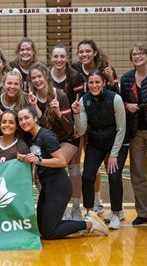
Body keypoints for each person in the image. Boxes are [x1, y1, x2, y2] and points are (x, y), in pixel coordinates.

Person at [16, 106, 109, 239]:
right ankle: (81, 223)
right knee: (42, 228)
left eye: (26, 118)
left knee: (49, 233)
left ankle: (88, 224)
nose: (23, 122)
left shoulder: (46, 136)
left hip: (59, 188)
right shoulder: (31, 138)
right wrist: (25, 158)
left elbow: (61, 161)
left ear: (35, 118)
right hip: (47, 188)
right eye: (20, 119)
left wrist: (39, 160)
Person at [71, 70, 127, 230]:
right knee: (87, 176)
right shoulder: (83, 100)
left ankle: (116, 213)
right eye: (91, 83)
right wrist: (76, 114)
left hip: (116, 142)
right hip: (95, 143)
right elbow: (81, 130)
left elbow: (121, 129)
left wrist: (114, 155)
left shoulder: (115, 98)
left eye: (97, 82)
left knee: (114, 176)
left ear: (103, 83)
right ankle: (90, 213)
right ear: (87, 84)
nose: (94, 85)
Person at [120, 44, 147, 227]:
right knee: (137, 172)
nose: (137, 56)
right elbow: (120, 99)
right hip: (135, 131)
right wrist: (126, 105)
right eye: (134, 54)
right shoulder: (127, 78)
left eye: (141, 53)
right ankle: (142, 212)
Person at [72, 39, 117, 215]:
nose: (84, 54)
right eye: (81, 52)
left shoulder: (106, 71)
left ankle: (99, 202)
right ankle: (81, 204)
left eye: (87, 51)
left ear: (95, 52)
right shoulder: (74, 70)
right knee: (83, 165)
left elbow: (115, 94)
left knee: (104, 165)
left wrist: (112, 80)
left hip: (101, 124)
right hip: (81, 121)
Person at [49, 44, 85, 221]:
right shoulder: (46, 76)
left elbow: (81, 103)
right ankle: (59, 209)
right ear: (51, 58)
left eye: (62, 56)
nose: (59, 60)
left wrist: (78, 126)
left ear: (67, 58)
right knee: (55, 171)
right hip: (52, 130)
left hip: (71, 130)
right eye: (56, 56)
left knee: (75, 170)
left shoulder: (74, 76)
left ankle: (76, 209)